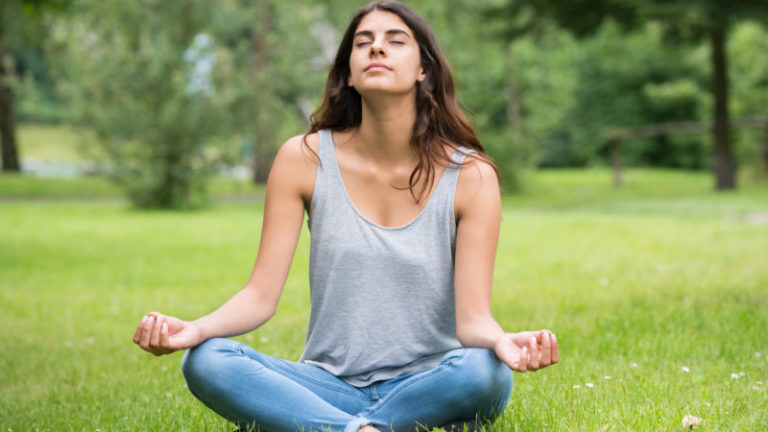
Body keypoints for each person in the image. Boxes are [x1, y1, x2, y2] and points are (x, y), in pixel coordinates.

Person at [132, 1, 559, 431]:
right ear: (349, 74)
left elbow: (473, 323)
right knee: (206, 359)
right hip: (326, 382)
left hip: (430, 382)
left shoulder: (470, 176)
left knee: (486, 373)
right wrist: (195, 329)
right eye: (363, 43)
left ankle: (329, 426)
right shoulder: (303, 158)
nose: (376, 49)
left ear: (423, 70)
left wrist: (501, 342)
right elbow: (260, 296)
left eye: (395, 41)